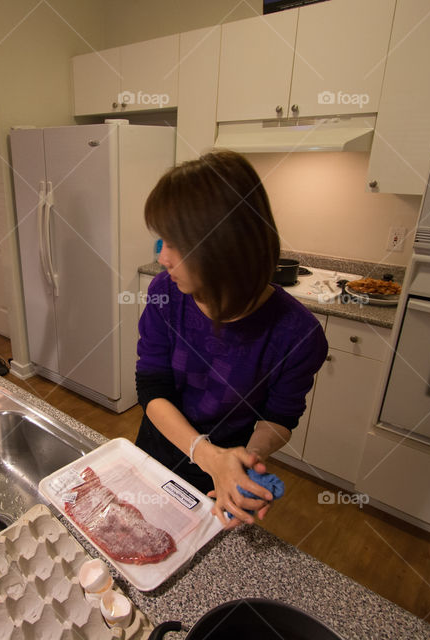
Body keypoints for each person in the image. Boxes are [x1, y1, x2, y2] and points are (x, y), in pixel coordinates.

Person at [135, 150, 328, 529]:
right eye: (161, 242)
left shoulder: (299, 334)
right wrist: (206, 454)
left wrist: (247, 460)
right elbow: (151, 387)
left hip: (223, 478)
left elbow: (279, 417)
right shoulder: (165, 293)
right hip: (160, 451)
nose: (162, 258)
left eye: (174, 244)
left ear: (220, 248)